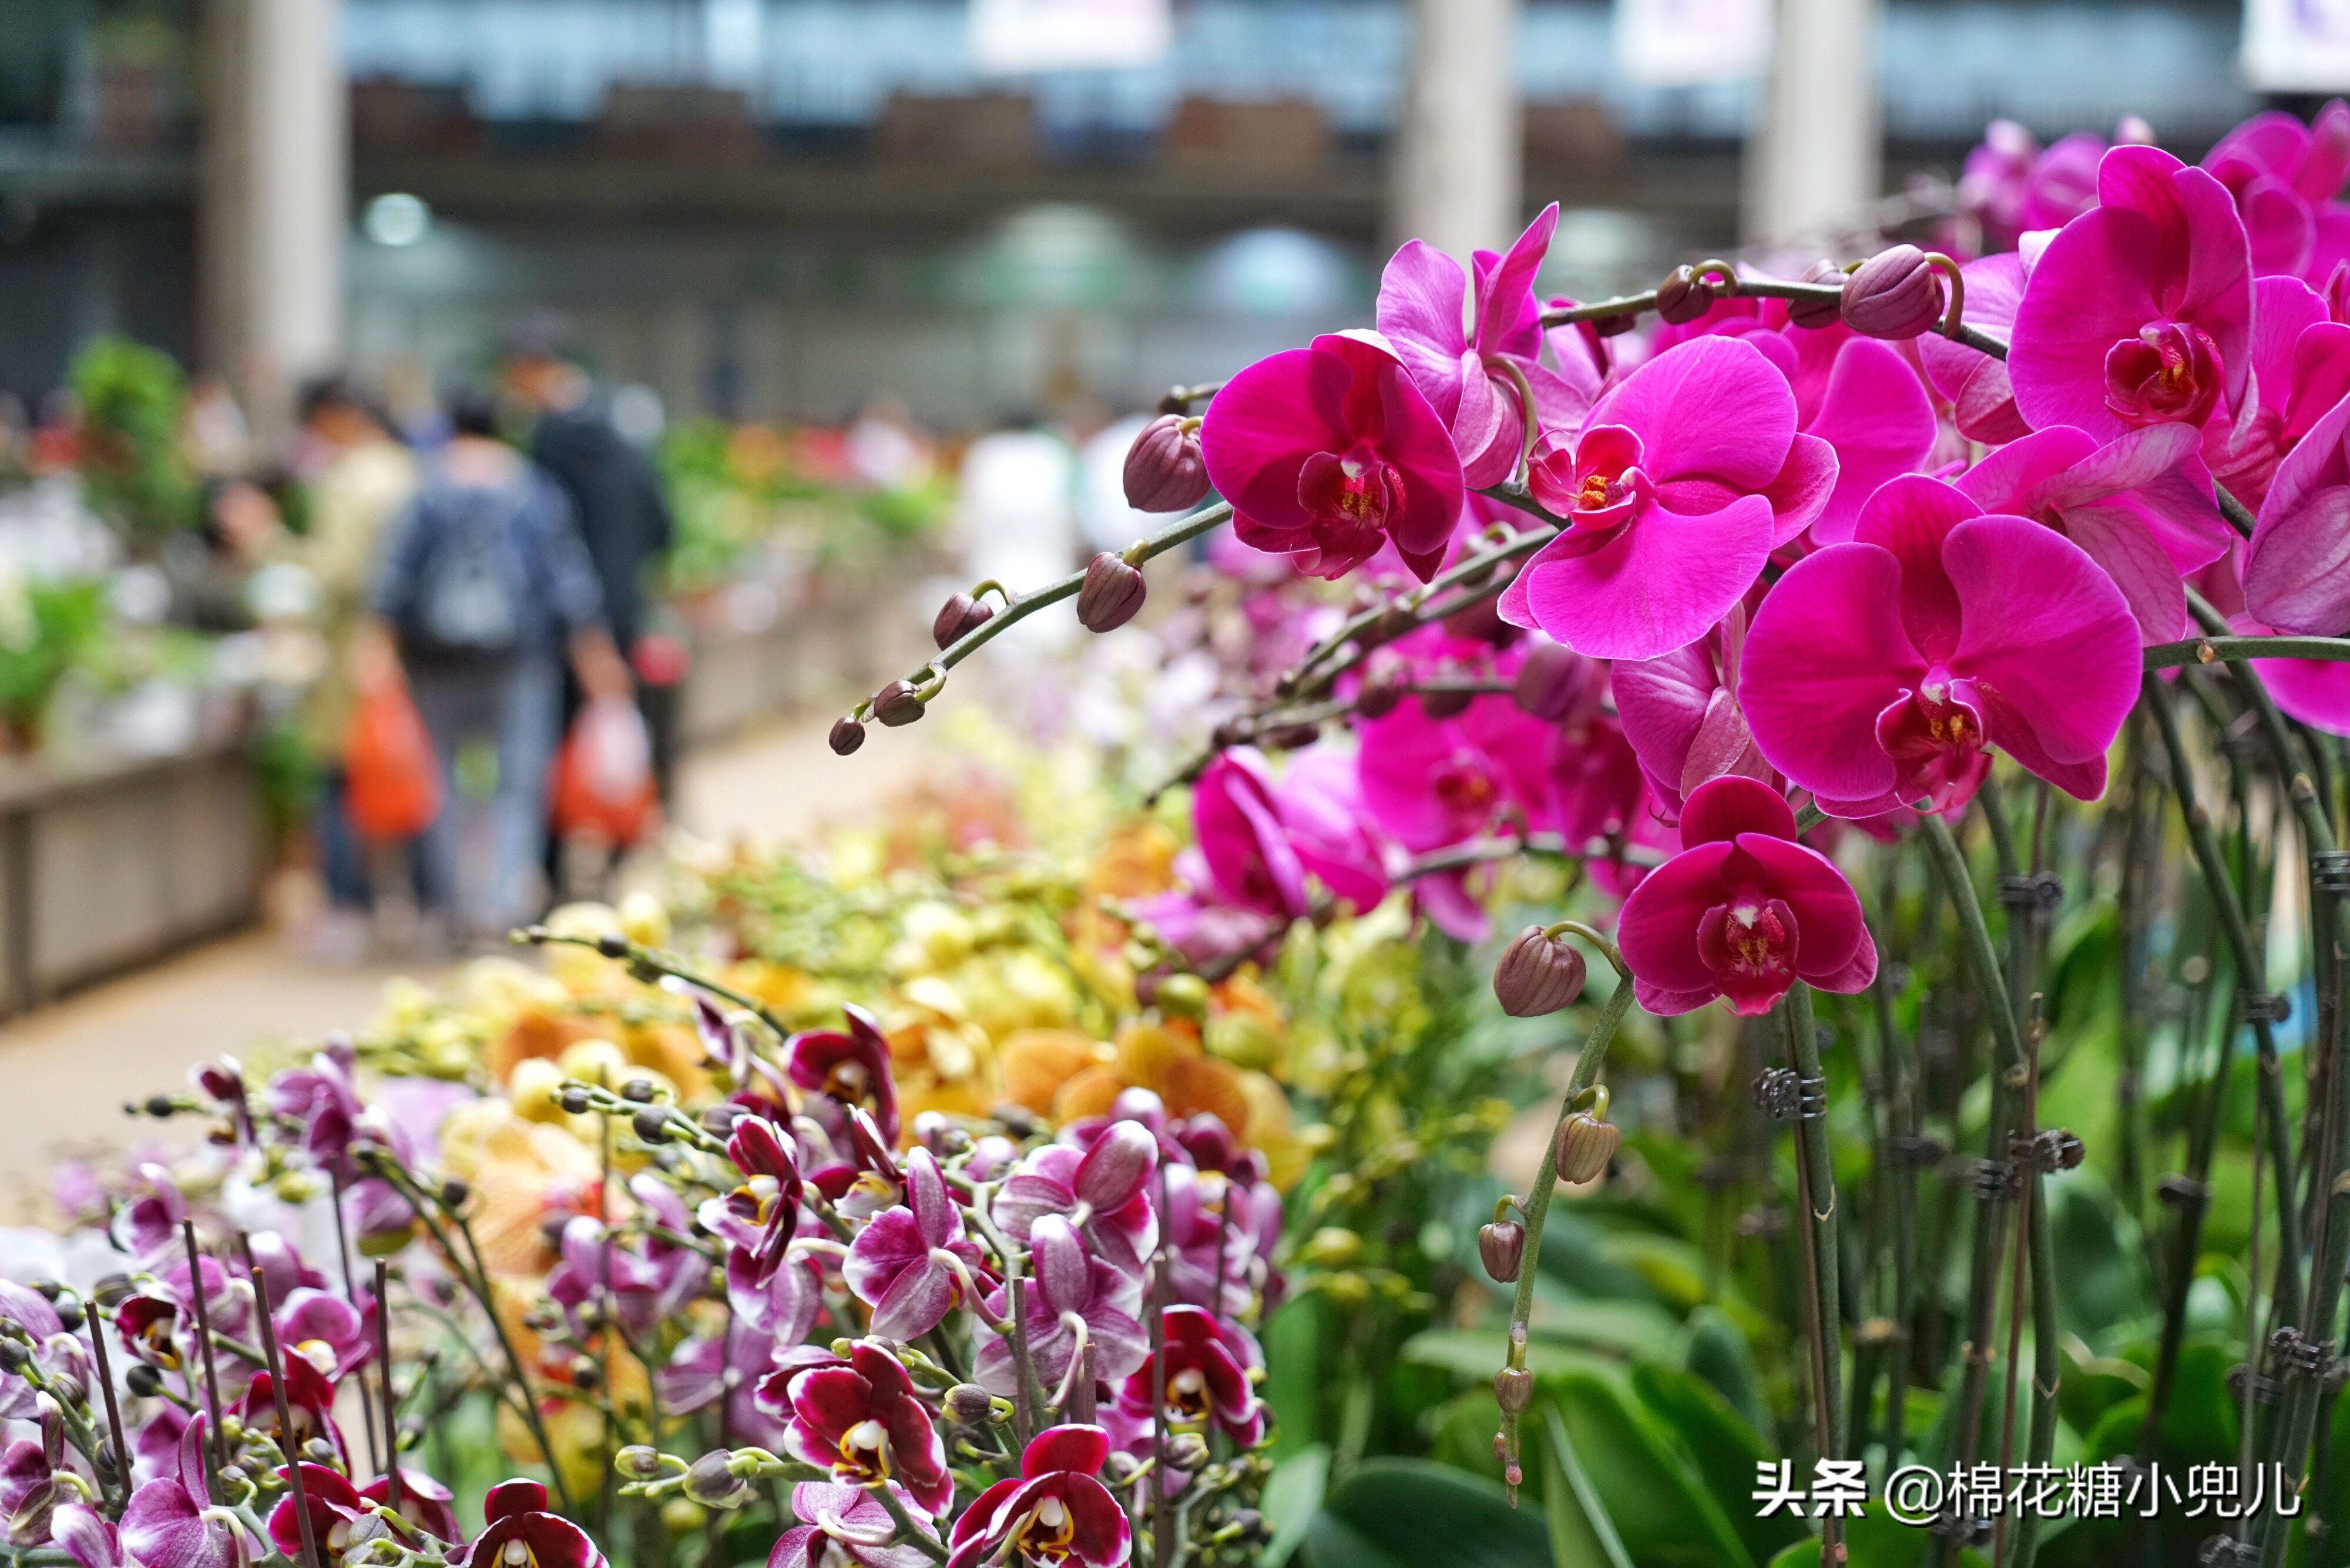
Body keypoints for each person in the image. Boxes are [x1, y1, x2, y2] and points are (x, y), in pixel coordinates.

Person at [371, 388, 632, 945]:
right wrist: (594, 654)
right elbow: (568, 580)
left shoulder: (426, 489)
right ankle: (501, 908)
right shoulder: (531, 488)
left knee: (439, 782)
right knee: (516, 784)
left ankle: (450, 907)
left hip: (434, 662)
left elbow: (392, 579)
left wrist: (377, 653)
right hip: (519, 659)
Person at [501, 325, 678, 799]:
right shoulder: (625, 431)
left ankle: (555, 853)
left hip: (564, 616)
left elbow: (544, 537)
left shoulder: (545, 441)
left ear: (529, 369)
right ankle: (618, 832)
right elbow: (662, 522)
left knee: (557, 734)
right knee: (618, 722)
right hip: (624, 606)